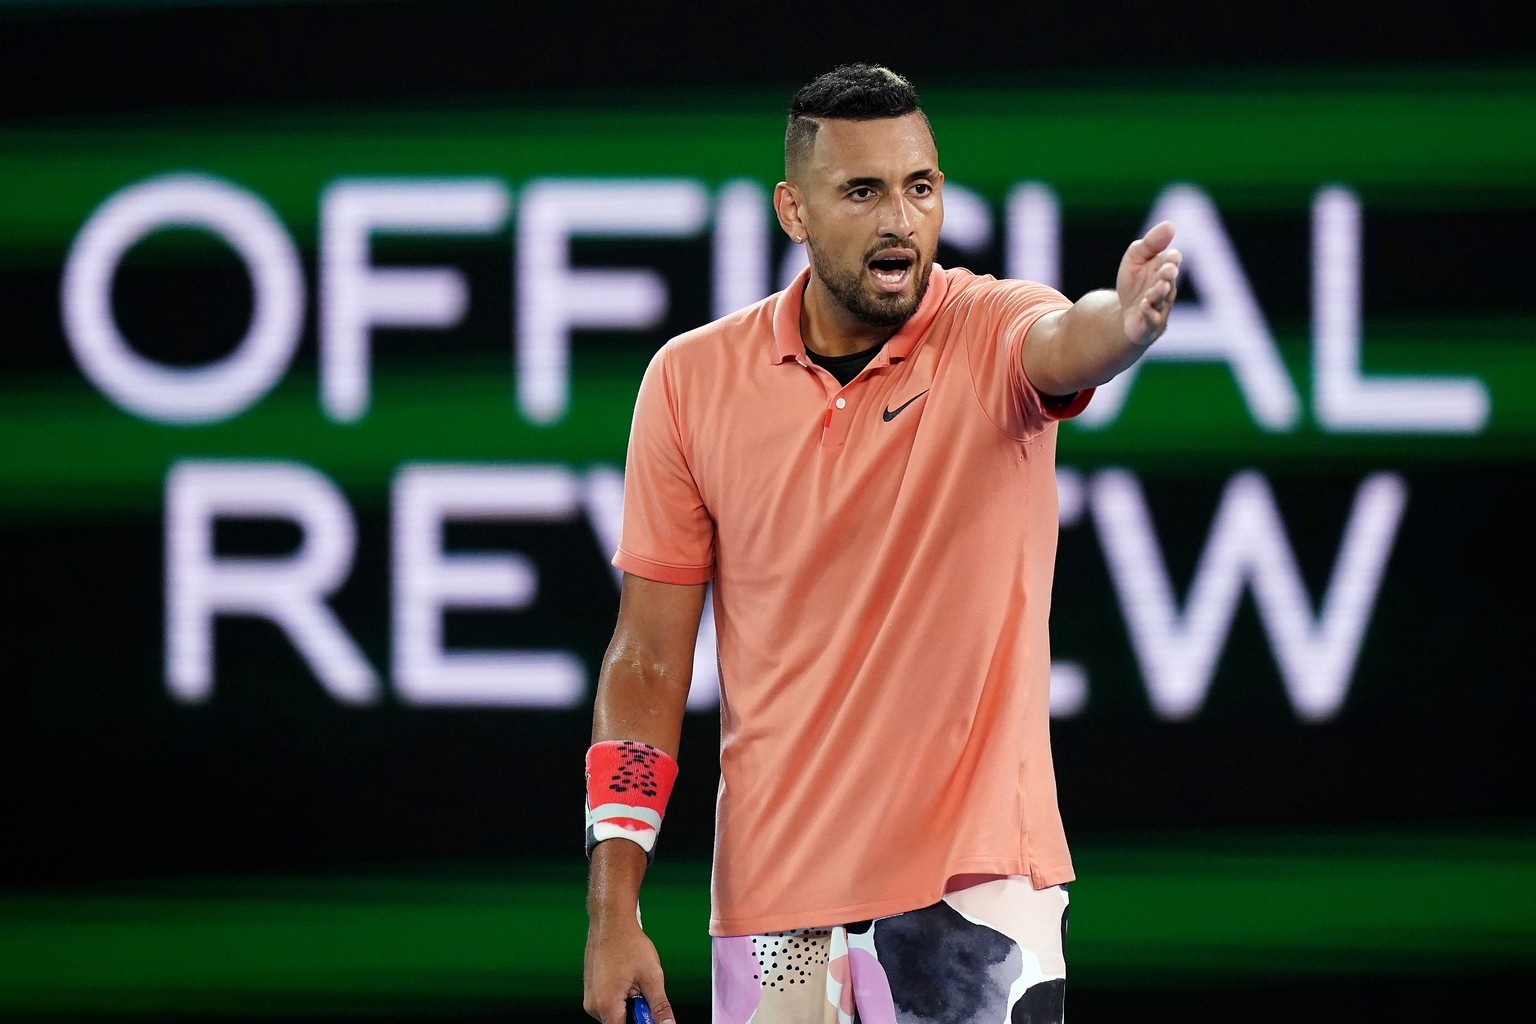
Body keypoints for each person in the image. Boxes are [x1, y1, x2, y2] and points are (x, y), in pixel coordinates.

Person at [582, 63, 1180, 1024]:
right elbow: (648, 658)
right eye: (862, 191)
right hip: (776, 913)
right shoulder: (688, 383)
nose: (900, 218)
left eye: (920, 187)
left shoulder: (990, 329)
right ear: (795, 210)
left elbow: (1072, 339)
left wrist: (1131, 324)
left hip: (973, 889)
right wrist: (615, 910)